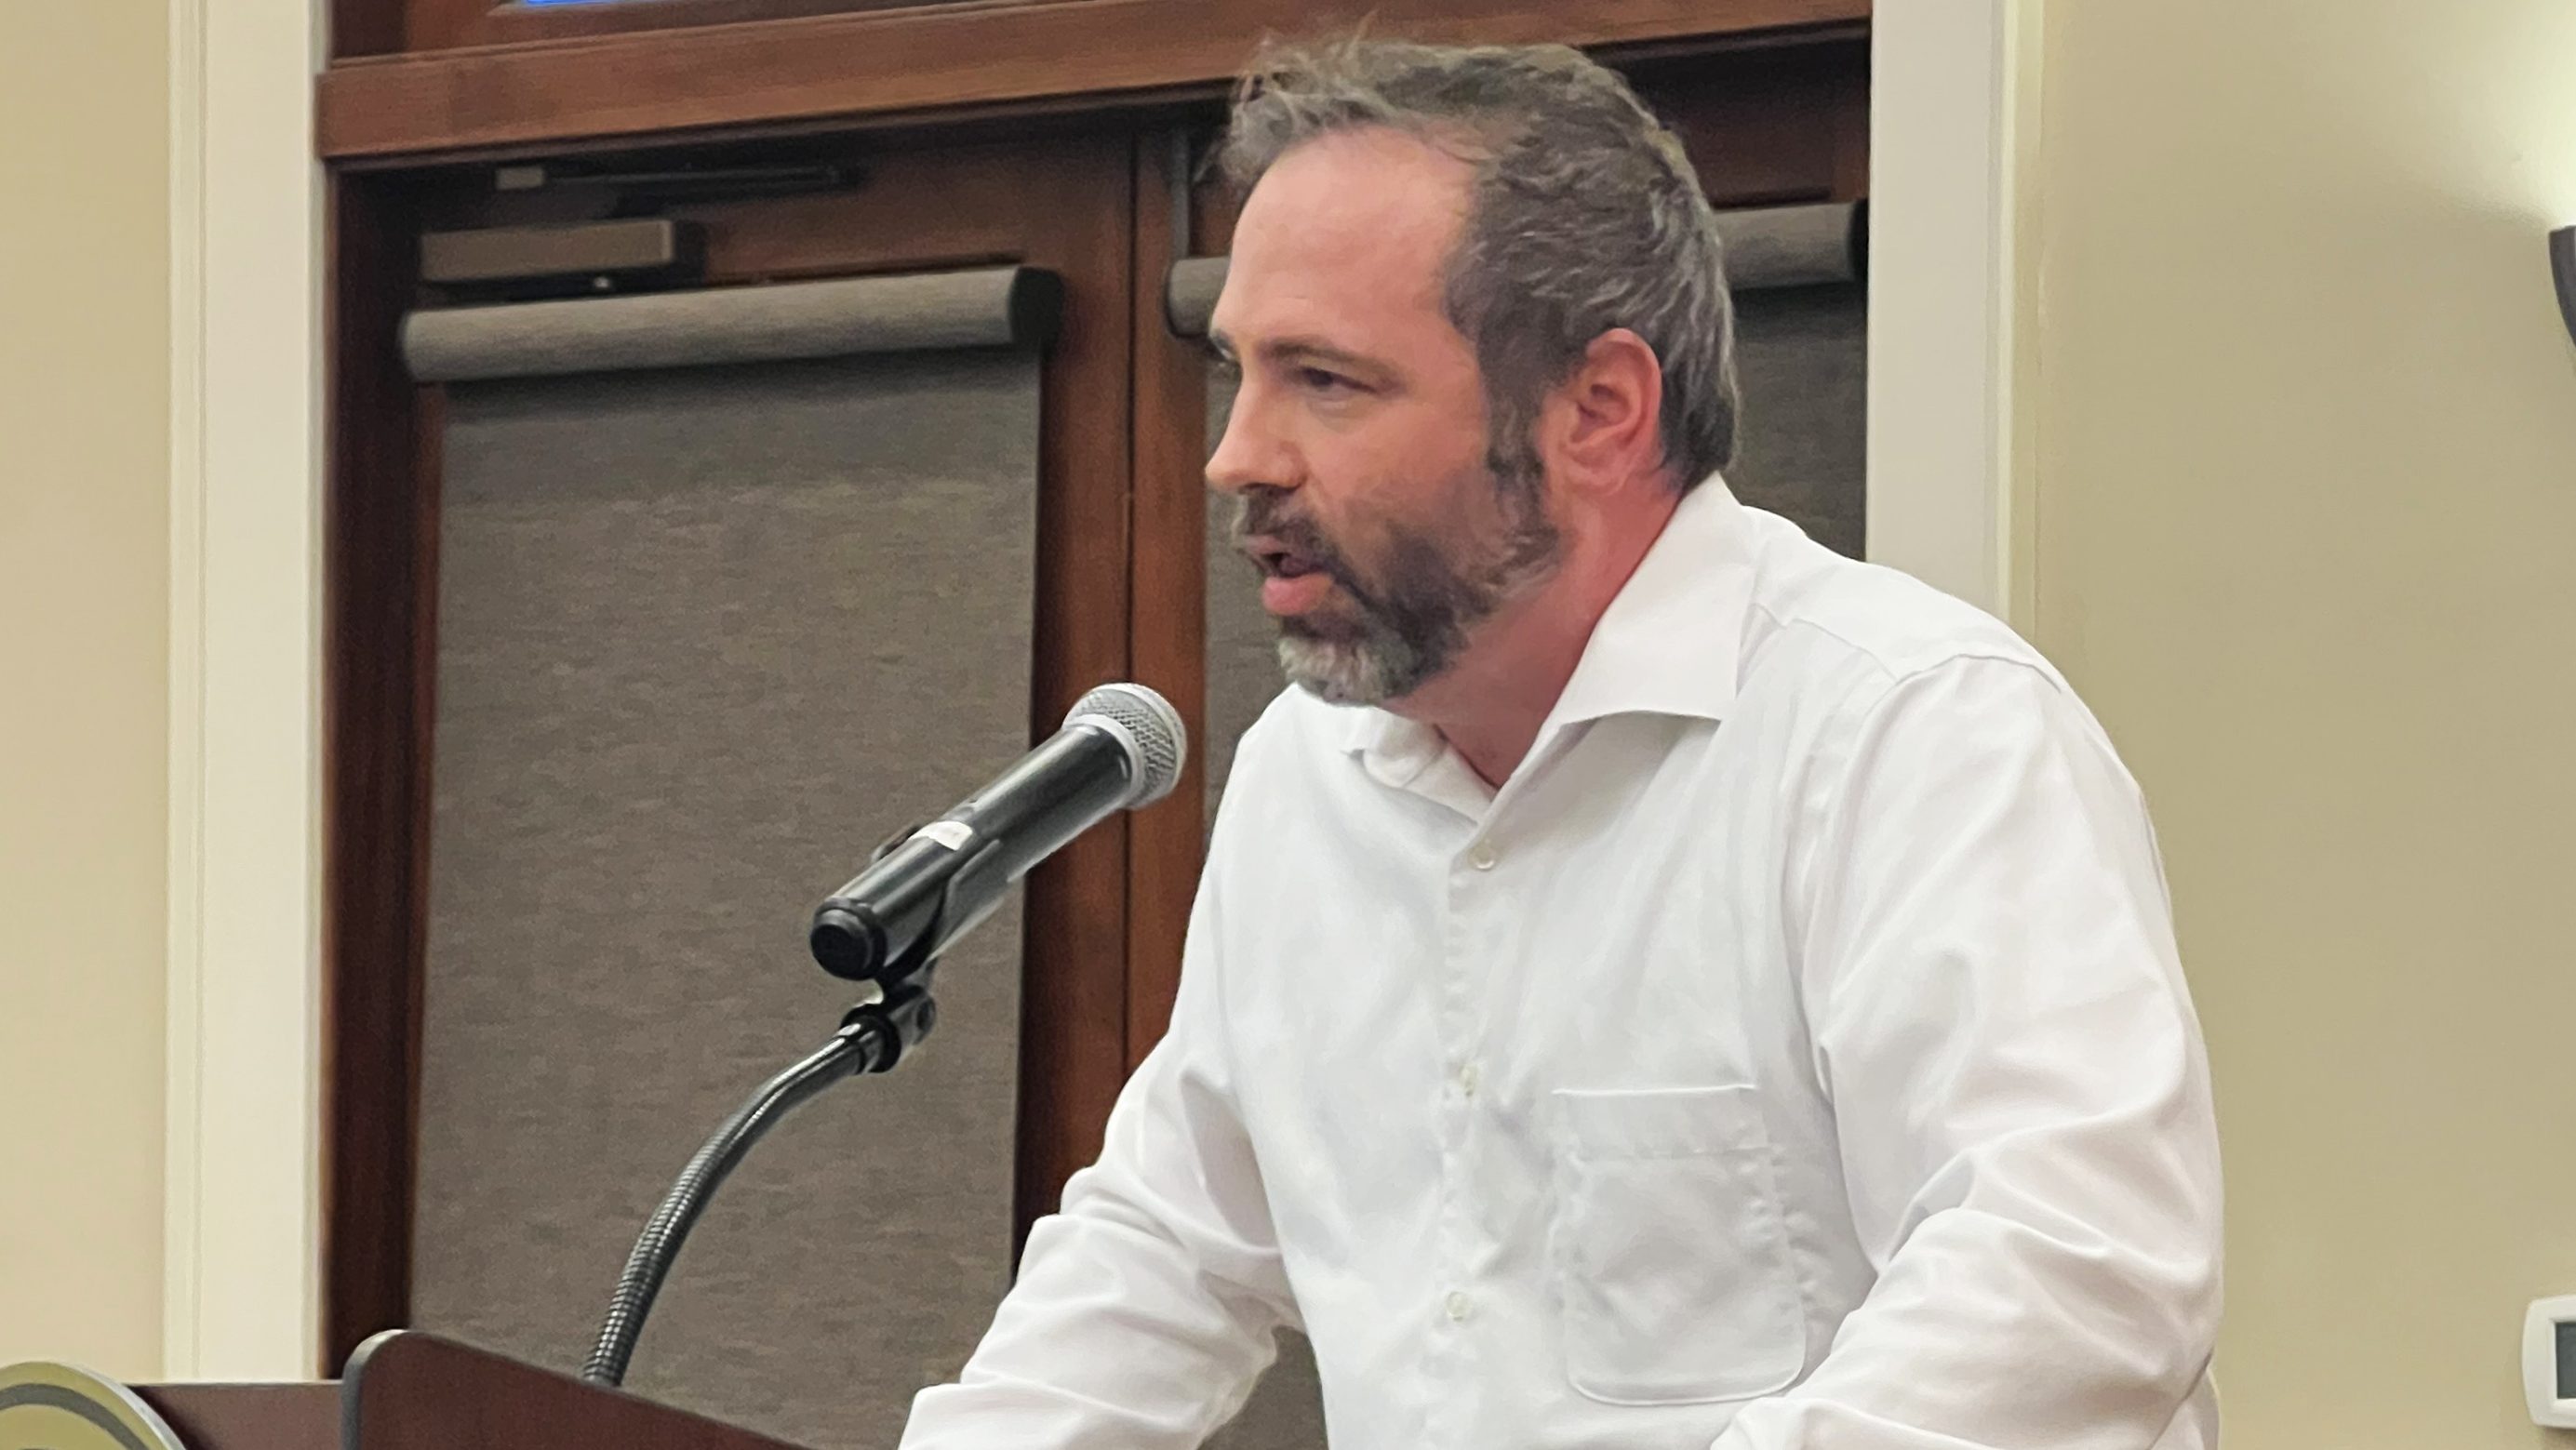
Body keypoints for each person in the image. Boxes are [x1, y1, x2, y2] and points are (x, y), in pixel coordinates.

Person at [901, 37, 2221, 1450]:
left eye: (1325, 381)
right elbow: (1166, 1254)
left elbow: (2070, 1278)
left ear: (1598, 412)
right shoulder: (1306, 771)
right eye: (1240, 372)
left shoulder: (1914, 733)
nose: (1238, 455)